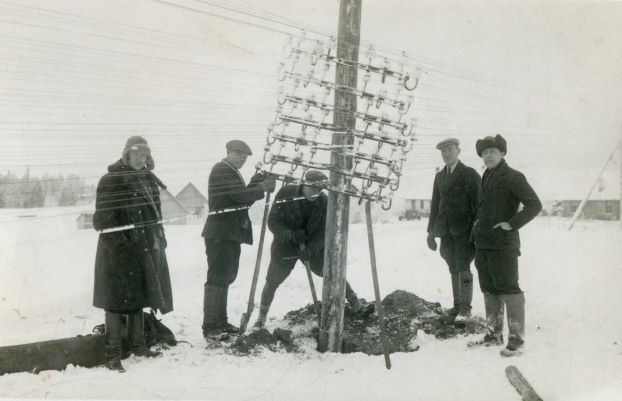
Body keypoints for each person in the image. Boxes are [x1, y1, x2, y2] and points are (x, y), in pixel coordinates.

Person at [253, 170, 374, 329]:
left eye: (319, 189)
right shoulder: (286, 192)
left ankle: (357, 305)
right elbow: (273, 221)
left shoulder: (324, 202)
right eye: (313, 188)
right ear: (305, 183)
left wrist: (311, 249)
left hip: (311, 247)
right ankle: (261, 318)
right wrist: (290, 235)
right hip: (285, 247)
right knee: (272, 281)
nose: (316, 193)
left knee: (332, 273)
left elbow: (323, 232)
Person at [92, 136, 173, 372]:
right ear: (126, 154)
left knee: (138, 296)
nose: (140, 158)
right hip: (117, 251)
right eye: (136, 153)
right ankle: (112, 355)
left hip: (144, 248)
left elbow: (156, 216)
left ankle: (139, 347)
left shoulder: (148, 180)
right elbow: (103, 221)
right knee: (115, 302)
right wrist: (122, 248)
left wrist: (160, 238)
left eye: (144, 154)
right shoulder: (111, 180)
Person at [468, 134, 542, 357]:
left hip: (503, 245)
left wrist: (511, 224)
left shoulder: (513, 176)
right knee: (489, 289)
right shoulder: (486, 176)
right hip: (483, 244)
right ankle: (493, 335)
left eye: (492, 151)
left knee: (509, 289)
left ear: (502, 153)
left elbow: (534, 205)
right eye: (484, 153)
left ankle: (516, 342)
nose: (488, 156)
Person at [201, 140, 275, 339]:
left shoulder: (231, 171)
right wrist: (261, 188)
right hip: (220, 234)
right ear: (228, 152)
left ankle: (221, 322)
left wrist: (255, 183)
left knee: (225, 277)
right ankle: (210, 327)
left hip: (229, 234)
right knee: (217, 277)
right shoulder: (221, 170)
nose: (242, 159)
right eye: (239, 155)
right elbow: (240, 196)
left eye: (245, 157)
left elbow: (240, 200)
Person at [427, 138, 481, 321]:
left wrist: (475, 228)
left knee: (463, 265)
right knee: (452, 265)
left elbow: (479, 204)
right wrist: (430, 232)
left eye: (450, 150)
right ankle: (457, 306)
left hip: (464, 231)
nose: (446, 154)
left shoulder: (470, 174)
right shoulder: (440, 176)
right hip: (445, 231)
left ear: (458, 151)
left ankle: (465, 309)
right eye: (443, 151)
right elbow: (435, 206)